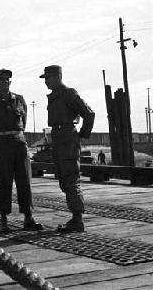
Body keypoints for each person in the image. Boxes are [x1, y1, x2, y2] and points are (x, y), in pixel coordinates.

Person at [0, 69, 42, 233]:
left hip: (19, 143)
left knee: (24, 181)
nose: (5, 82)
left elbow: (24, 122)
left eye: (8, 79)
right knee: (4, 182)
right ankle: (3, 219)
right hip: (1, 145)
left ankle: (28, 217)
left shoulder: (20, 100)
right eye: (1, 79)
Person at [40, 65, 95, 232]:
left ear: (58, 77)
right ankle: (75, 217)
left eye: (48, 78)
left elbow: (89, 114)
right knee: (64, 179)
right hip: (58, 137)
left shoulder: (69, 93)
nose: (46, 82)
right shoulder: (56, 95)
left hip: (67, 137)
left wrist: (82, 134)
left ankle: (77, 219)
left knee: (70, 178)